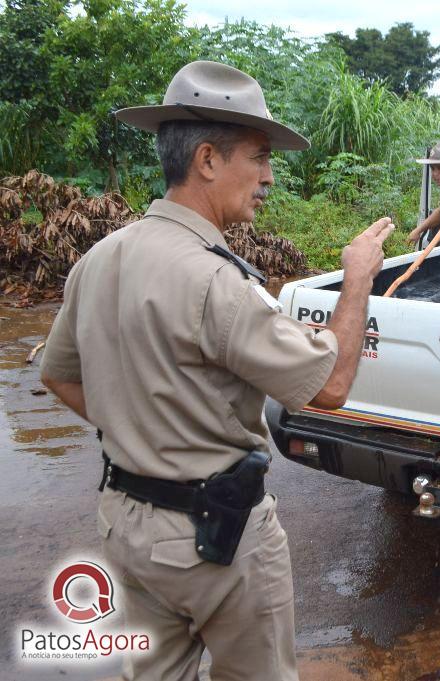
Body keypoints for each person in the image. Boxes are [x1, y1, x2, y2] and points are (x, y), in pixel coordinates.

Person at [39, 60, 394, 680]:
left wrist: (140, 429)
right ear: (207, 160)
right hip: (219, 536)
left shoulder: (99, 259)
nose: (268, 178)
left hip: (125, 524)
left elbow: (59, 375)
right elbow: (330, 386)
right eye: (258, 158)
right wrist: (358, 280)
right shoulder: (218, 283)